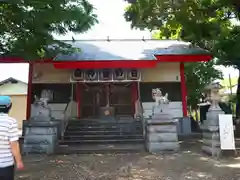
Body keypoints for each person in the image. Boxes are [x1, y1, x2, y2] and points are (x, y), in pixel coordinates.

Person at [0, 96, 24, 180]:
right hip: (6, 165)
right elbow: (13, 144)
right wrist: (19, 161)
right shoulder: (11, 122)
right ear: (9, 106)